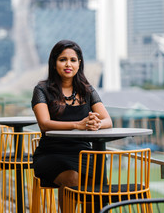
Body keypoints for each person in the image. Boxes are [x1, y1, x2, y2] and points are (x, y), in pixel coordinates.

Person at [31, 39, 112, 209]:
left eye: (73, 60)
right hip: (52, 153)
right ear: (54, 63)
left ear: (79, 64)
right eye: (62, 59)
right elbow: (45, 124)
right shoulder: (42, 89)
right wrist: (78, 125)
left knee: (95, 186)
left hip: (83, 153)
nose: (68, 64)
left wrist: (95, 124)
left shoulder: (87, 90)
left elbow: (108, 121)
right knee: (72, 178)